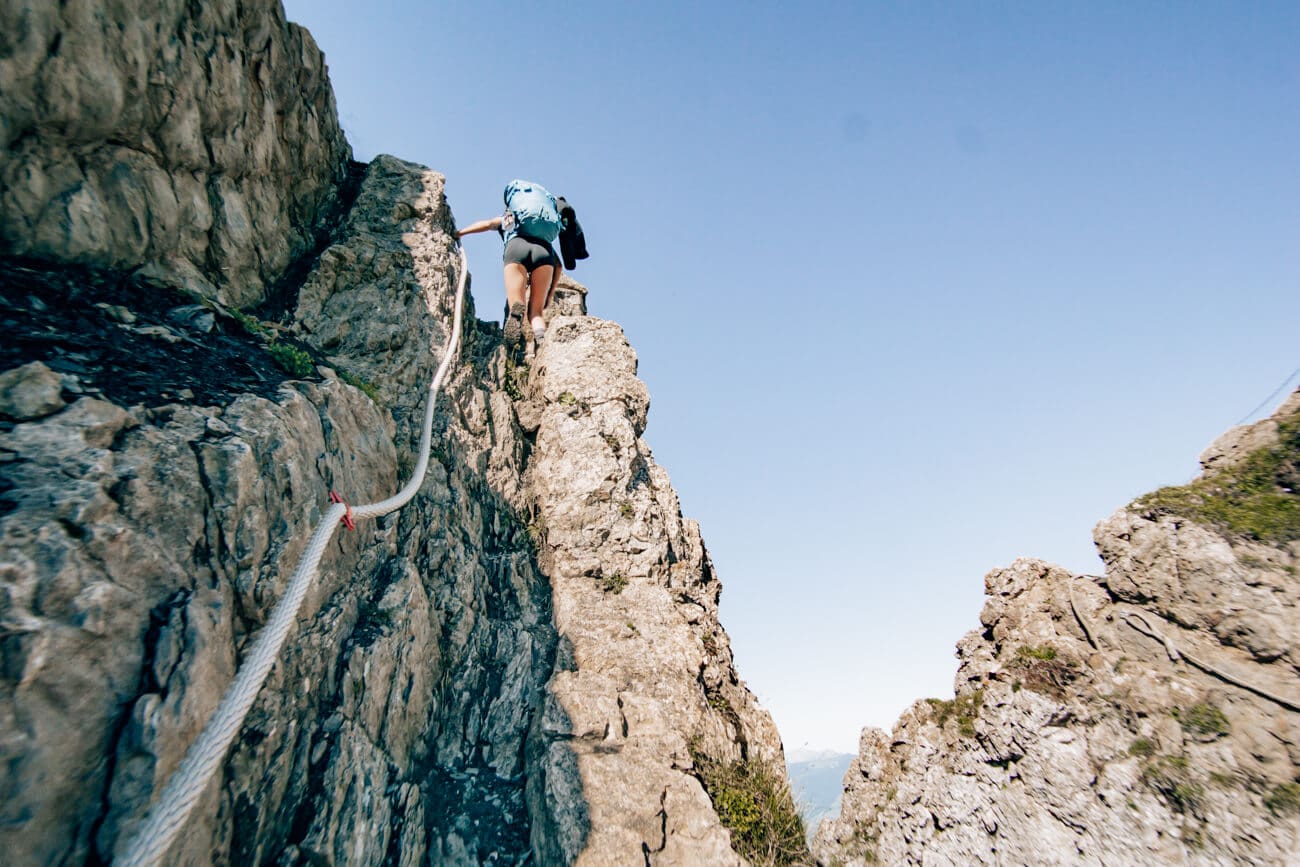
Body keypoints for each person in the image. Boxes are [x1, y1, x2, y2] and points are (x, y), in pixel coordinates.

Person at [457, 181, 563, 352]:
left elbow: (487, 224)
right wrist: (549, 295)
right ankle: (541, 340)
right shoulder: (544, 236)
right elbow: (559, 266)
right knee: (536, 312)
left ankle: (516, 314)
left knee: (517, 303)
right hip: (543, 252)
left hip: (516, 247)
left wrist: (460, 233)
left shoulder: (510, 218)